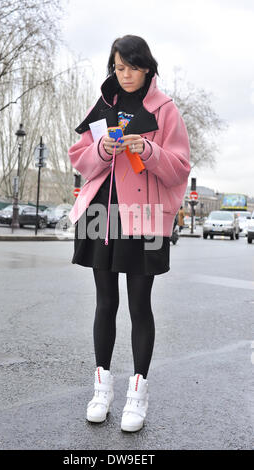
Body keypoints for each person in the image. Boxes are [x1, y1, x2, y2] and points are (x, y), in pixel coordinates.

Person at [68, 35, 191, 432]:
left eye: (132, 67)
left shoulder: (165, 109)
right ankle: (102, 388)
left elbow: (180, 168)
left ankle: (137, 393)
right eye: (118, 67)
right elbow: (81, 161)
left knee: (140, 304)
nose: (124, 75)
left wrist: (149, 150)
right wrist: (103, 148)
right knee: (105, 302)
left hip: (148, 214)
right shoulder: (104, 104)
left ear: (147, 67)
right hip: (100, 212)